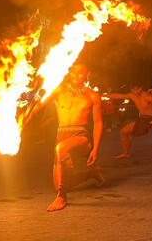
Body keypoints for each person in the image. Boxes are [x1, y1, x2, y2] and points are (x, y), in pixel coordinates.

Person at [23, 63, 105, 212]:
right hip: (61, 135)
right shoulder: (59, 89)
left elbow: (99, 123)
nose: (75, 75)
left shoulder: (92, 95)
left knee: (61, 149)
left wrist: (96, 149)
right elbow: (40, 103)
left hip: (81, 136)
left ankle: (62, 197)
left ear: (88, 74)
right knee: (58, 183)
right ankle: (91, 174)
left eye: (79, 72)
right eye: (73, 71)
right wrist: (29, 115)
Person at [106, 86, 152, 161]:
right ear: (131, 89)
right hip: (143, 119)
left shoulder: (147, 96)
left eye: (137, 89)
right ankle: (126, 153)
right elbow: (118, 96)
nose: (136, 92)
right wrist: (104, 95)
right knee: (123, 132)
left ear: (141, 88)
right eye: (133, 89)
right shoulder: (131, 95)